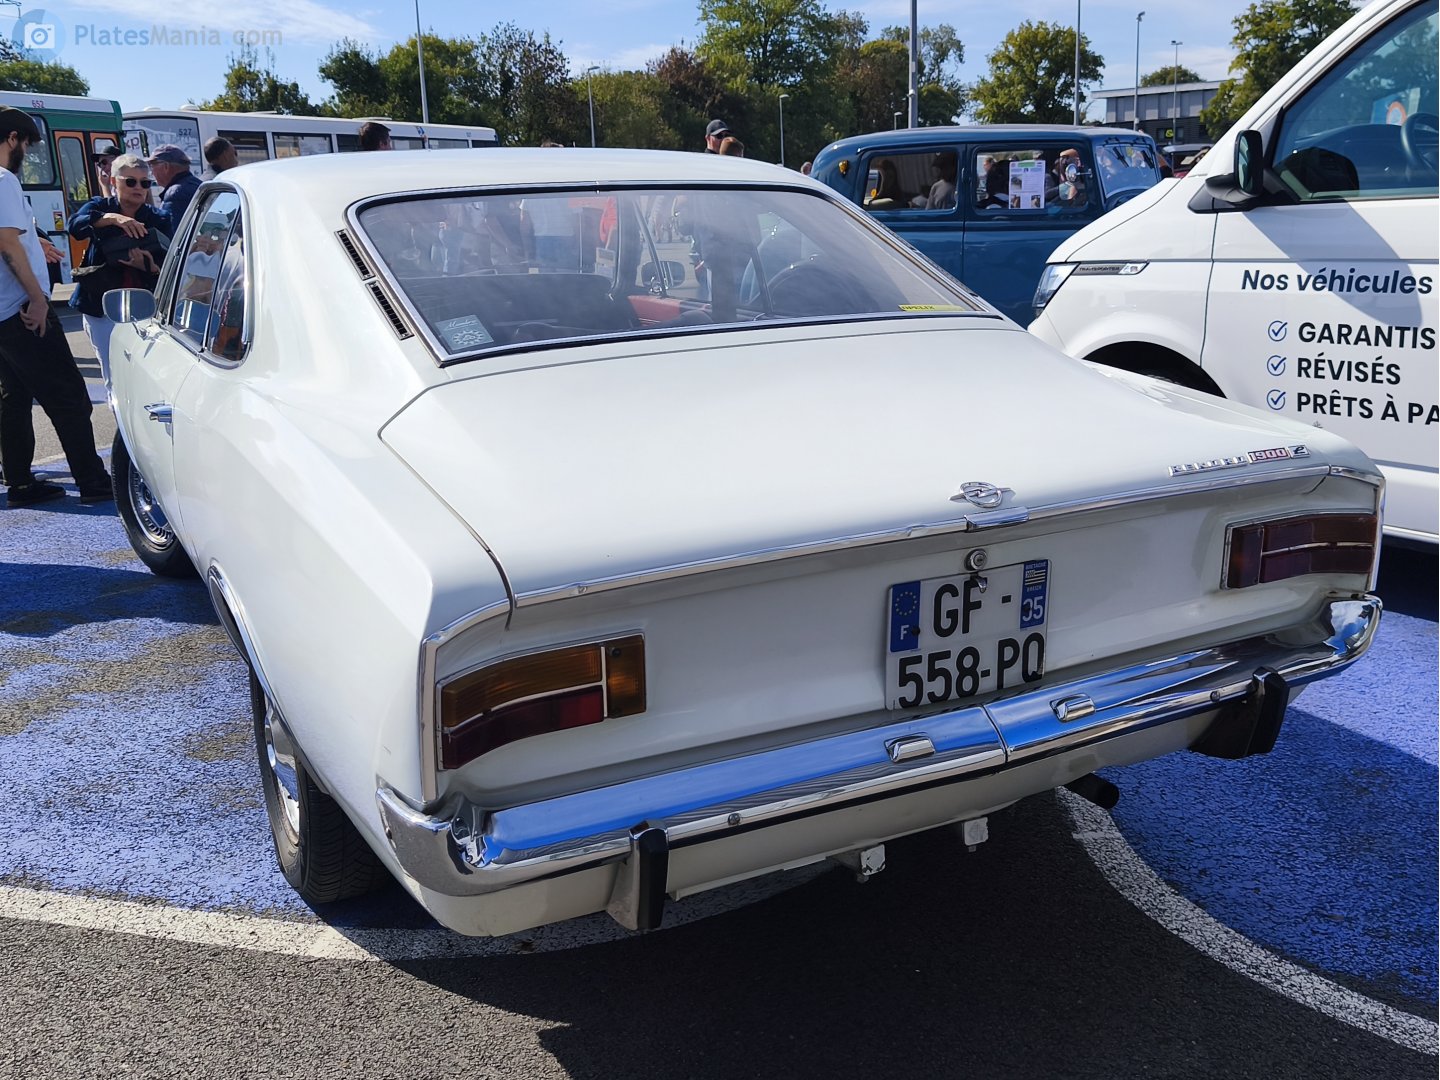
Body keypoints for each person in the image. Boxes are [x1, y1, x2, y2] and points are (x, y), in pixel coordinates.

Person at [0, 108, 111, 507]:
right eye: (27, 146)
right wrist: (36, 298)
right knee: (69, 398)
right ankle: (93, 483)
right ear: (13, 138)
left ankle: (21, 483)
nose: (26, 154)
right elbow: (8, 244)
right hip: (19, 309)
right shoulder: (3, 179)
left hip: (1, 314)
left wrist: (35, 241)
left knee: (13, 398)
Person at [67, 153, 169, 385]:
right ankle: (121, 420)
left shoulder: (158, 218)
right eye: (130, 181)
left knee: (148, 378)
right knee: (114, 377)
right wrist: (112, 219)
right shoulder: (100, 207)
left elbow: (171, 265)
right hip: (101, 308)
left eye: (145, 183)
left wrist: (150, 267)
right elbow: (75, 225)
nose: (138, 188)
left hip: (145, 309)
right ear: (114, 182)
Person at [147, 145, 201, 231]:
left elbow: (171, 234)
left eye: (152, 166)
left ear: (166, 166)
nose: (151, 172)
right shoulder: (198, 184)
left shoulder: (175, 193)